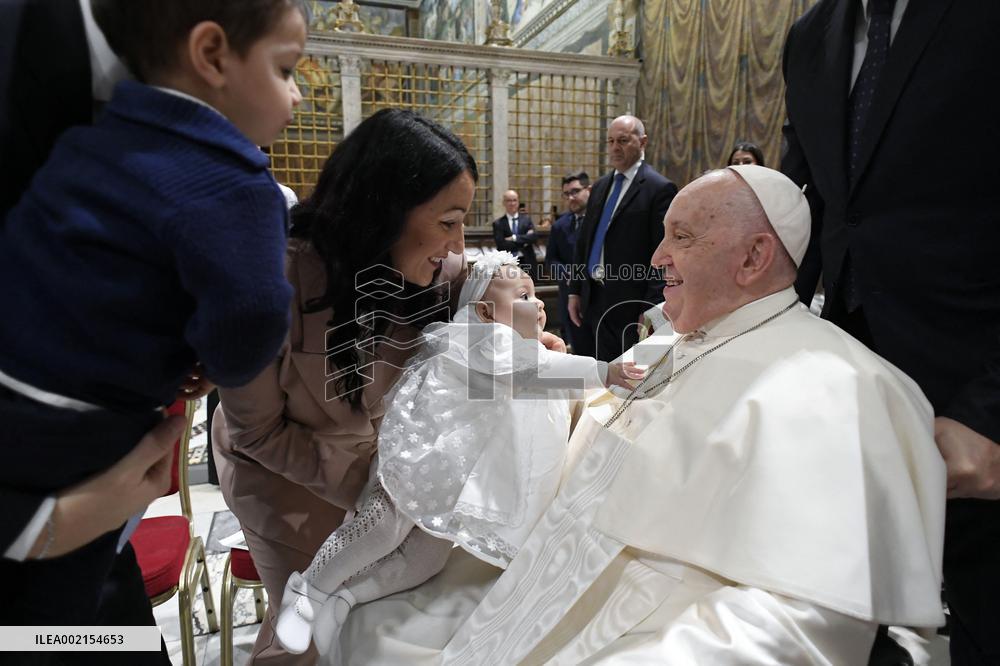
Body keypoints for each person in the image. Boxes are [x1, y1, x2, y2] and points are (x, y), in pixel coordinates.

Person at [334, 165, 946, 665]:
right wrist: (529, 378)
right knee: (363, 627)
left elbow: (797, 622)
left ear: (754, 256)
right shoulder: (668, 341)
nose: (654, 257)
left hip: (650, 621)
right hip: (541, 568)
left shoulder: (838, 385)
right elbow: (599, 421)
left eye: (681, 237)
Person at [0, 0, 306, 634]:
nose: (299, 96)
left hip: (22, 399)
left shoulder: (101, 136)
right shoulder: (239, 183)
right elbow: (252, 317)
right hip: (78, 447)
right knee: (52, 626)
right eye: (287, 70)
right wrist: (217, 361)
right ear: (212, 54)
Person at [212, 108, 496, 664]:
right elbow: (258, 433)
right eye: (448, 221)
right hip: (279, 476)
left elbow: (494, 272)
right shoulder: (269, 282)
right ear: (385, 211)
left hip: (372, 467)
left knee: (380, 605)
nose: (457, 242)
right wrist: (376, 492)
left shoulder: (426, 267)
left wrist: (521, 323)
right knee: (306, 629)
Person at [273, 251, 642, 657]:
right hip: (420, 458)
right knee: (383, 527)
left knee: (426, 559)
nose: (537, 303)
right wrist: (602, 371)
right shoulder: (479, 338)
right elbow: (529, 372)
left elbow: (541, 373)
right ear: (484, 310)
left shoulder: (519, 346)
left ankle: (349, 597)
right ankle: (309, 588)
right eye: (522, 294)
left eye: (536, 294)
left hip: (450, 476)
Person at [781, 2, 1000, 662]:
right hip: (857, 389)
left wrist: (992, 412)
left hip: (979, 390)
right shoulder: (811, 35)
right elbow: (813, 204)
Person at [568, 114, 678, 362]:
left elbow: (663, 252)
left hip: (631, 300)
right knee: (601, 368)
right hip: (594, 296)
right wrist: (575, 290)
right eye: (610, 141)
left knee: (632, 372)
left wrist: (651, 306)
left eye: (623, 140)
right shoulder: (600, 186)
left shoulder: (659, 188)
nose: (615, 148)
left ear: (643, 142)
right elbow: (584, 242)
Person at [545, 171, 590, 351]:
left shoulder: (602, 222)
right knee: (578, 350)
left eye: (575, 191)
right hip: (569, 295)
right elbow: (551, 259)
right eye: (567, 194)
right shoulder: (559, 225)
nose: (571, 197)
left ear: (589, 190)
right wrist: (567, 274)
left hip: (596, 297)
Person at [492, 189, 538, 277]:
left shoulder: (527, 220)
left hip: (527, 261)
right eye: (509, 200)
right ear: (504, 203)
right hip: (508, 264)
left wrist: (514, 238)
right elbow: (501, 244)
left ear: (518, 202)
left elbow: (534, 237)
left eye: (514, 200)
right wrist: (524, 241)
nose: (512, 203)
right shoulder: (498, 223)